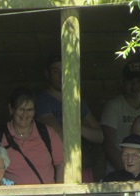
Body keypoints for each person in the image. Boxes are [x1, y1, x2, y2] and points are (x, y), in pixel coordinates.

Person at [35, 52, 103, 182]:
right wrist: (83, 127)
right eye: (55, 71)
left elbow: (99, 136)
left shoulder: (76, 101)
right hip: (58, 167)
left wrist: (76, 127)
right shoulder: (43, 101)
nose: (61, 76)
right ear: (47, 73)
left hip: (83, 165)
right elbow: (60, 136)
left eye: (64, 70)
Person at [0, 87, 64, 185]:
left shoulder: (47, 134)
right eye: (21, 109)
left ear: (34, 111)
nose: (25, 114)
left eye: (29, 110)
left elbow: (61, 165)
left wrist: (58, 195)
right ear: (11, 109)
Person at [100, 59, 140, 174]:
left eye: (139, 81)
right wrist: (127, 173)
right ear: (123, 82)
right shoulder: (113, 107)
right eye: (131, 81)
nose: (135, 85)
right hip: (118, 171)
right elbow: (109, 144)